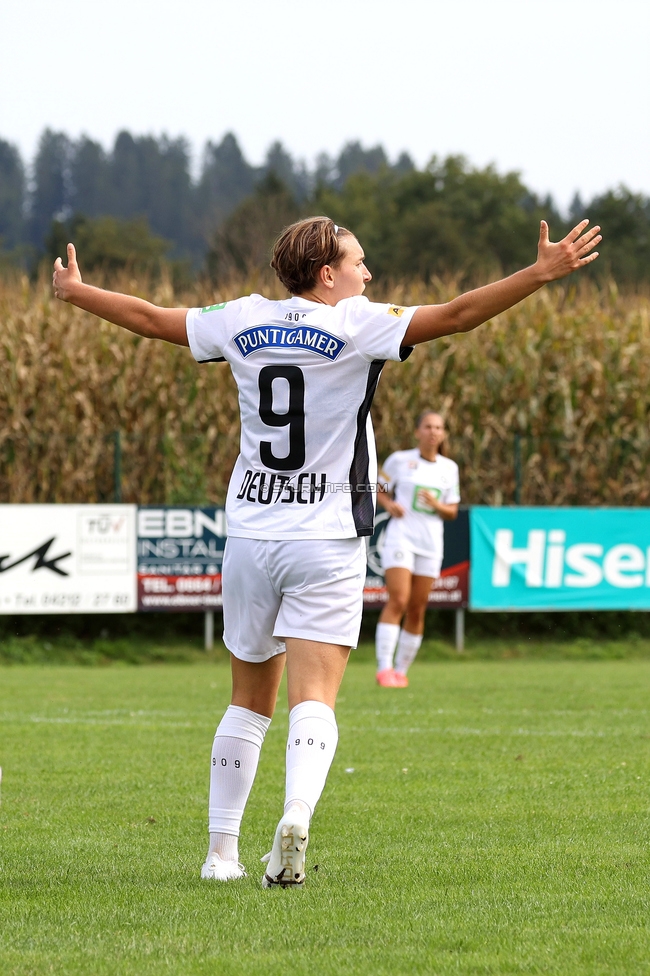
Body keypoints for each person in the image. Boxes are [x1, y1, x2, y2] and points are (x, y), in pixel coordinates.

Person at [52, 214, 600, 887]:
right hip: (327, 536)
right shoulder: (357, 322)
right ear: (327, 273)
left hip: (252, 535)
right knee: (315, 698)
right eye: (359, 262)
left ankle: (220, 854)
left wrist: (78, 293)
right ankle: (296, 816)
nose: (368, 275)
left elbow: (148, 317)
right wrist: (539, 275)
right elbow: (460, 314)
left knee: (246, 700)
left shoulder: (241, 318)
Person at [375, 411, 459, 687]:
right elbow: (377, 487)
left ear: (443, 433)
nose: (433, 431)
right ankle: (384, 669)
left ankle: (401, 671)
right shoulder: (400, 460)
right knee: (398, 599)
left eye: (438, 427)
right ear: (417, 431)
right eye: (428, 426)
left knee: (418, 608)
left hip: (430, 543)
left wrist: (437, 506)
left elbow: (452, 511)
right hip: (401, 537)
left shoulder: (449, 468)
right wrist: (389, 505)